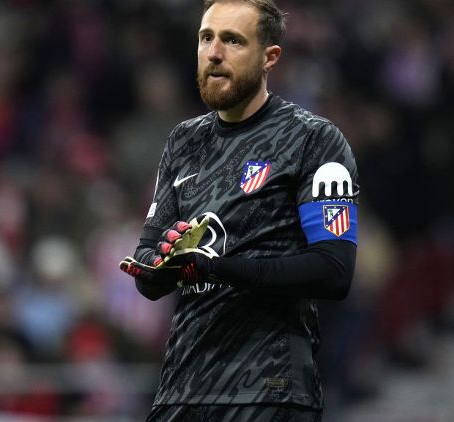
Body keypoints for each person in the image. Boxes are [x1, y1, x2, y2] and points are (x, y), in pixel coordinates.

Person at [119, 0, 359, 420]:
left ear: (270, 57)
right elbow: (148, 263)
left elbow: (333, 269)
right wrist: (163, 266)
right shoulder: (184, 141)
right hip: (181, 390)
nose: (214, 53)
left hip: (270, 390)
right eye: (206, 38)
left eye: (232, 41)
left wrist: (216, 268)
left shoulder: (313, 140)